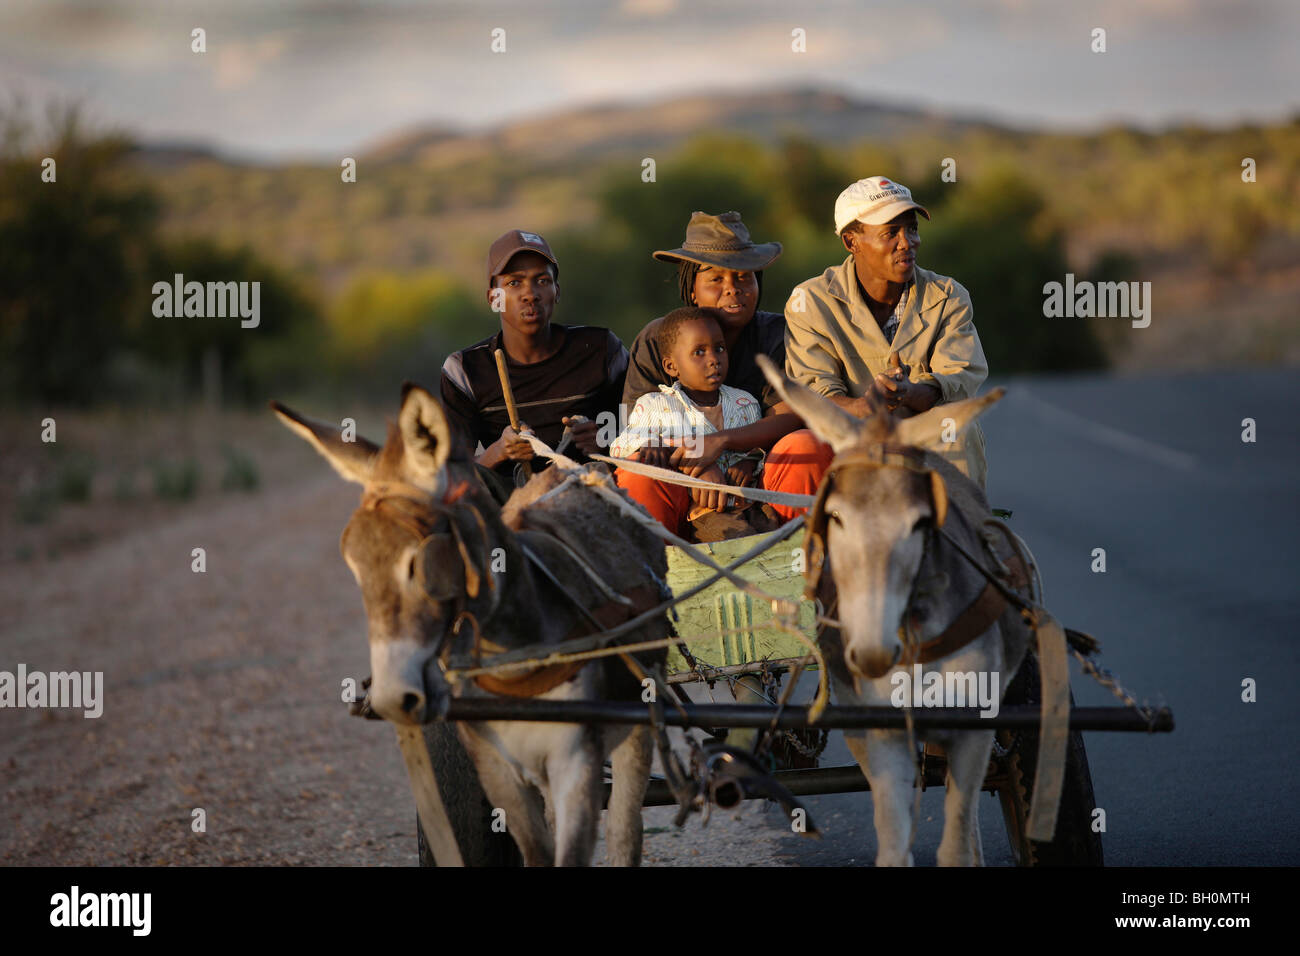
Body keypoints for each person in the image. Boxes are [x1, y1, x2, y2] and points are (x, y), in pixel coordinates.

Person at [618, 211, 833, 528]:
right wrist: (700, 468)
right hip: (681, 475)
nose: (733, 288)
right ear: (692, 288)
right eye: (716, 279)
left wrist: (725, 444)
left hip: (757, 473)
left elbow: (790, 416)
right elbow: (640, 429)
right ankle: (654, 565)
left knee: (806, 446)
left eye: (744, 277)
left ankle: (799, 554)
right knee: (640, 469)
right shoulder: (658, 339)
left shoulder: (778, 335)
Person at [785, 176, 990, 487]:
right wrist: (865, 406)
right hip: (847, 441)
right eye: (890, 232)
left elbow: (959, 378)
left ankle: (959, 530)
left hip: (921, 436)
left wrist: (912, 391)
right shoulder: (810, 302)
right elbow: (813, 396)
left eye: (912, 228)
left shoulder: (947, 295)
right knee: (803, 443)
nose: (907, 242)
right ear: (851, 241)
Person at [440, 229, 627, 490]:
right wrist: (499, 451)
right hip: (510, 507)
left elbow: (645, 433)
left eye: (541, 280)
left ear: (557, 291)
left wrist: (608, 444)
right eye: (514, 283)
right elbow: (451, 473)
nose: (530, 294)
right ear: (494, 298)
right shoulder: (466, 370)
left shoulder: (601, 350)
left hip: (593, 492)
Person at [610, 307, 765, 536]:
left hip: (750, 503)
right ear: (671, 366)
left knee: (783, 537)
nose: (714, 360)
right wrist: (653, 445)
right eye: (699, 352)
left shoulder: (745, 403)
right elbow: (620, 447)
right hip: (702, 512)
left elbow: (759, 449)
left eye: (719, 349)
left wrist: (749, 462)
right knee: (738, 540)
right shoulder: (655, 405)